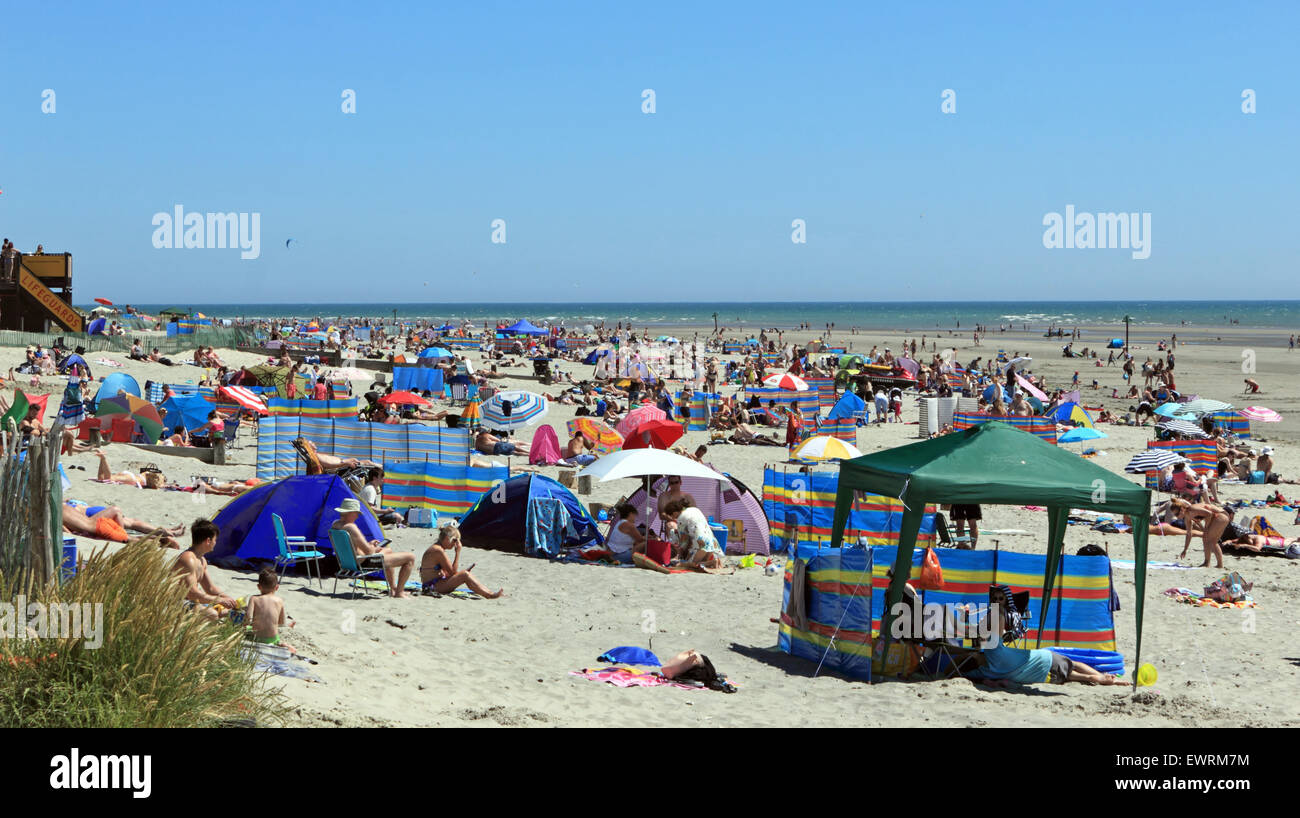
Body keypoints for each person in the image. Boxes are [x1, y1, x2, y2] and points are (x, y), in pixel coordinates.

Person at [331, 498, 416, 597]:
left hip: (347, 562)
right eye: (357, 513)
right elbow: (369, 552)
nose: (358, 516)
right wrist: (374, 547)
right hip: (362, 562)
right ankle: (399, 593)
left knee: (388, 550)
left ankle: (393, 589)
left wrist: (369, 544)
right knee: (410, 557)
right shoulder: (351, 527)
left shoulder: (335, 525)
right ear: (352, 513)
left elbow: (352, 546)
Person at [174, 519, 238, 620]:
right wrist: (219, 600)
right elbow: (192, 593)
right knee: (212, 614)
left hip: (192, 602)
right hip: (177, 603)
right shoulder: (188, 559)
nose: (215, 543)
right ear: (208, 541)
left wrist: (229, 599)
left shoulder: (202, 560)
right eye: (215, 540)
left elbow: (210, 588)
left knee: (229, 612)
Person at [417, 525, 504, 597]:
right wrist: (457, 552)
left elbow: (447, 573)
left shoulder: (436, 548)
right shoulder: (438, 551)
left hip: (434, 584)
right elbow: (453, 573)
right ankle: (489, 594)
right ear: (447, 538)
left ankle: (489, 593)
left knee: (465, 574)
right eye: (454, 540)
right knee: (465, 575)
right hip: (433, 586)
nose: (455, 544)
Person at [661, 497, 725, 570]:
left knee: (690, 564)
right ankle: (711, 561)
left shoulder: (681, 518)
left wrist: (679, 555)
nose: (673, 518)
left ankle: (711, 562)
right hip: (711, 542)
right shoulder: (694, 509)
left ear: (675, 513)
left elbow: (684, 541)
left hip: (700, 544)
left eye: (672, 516)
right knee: (699, 561)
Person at [244, 567, 290, 645]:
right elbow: (281, 622)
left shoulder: (254, 598)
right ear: (277, 587)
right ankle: (281, 644)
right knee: (277, 639)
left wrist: (245, 626)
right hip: (272, 639)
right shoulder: (279, 601)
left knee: (246, 631)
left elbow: (248, 619)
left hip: (256, 638)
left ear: (258, 586)